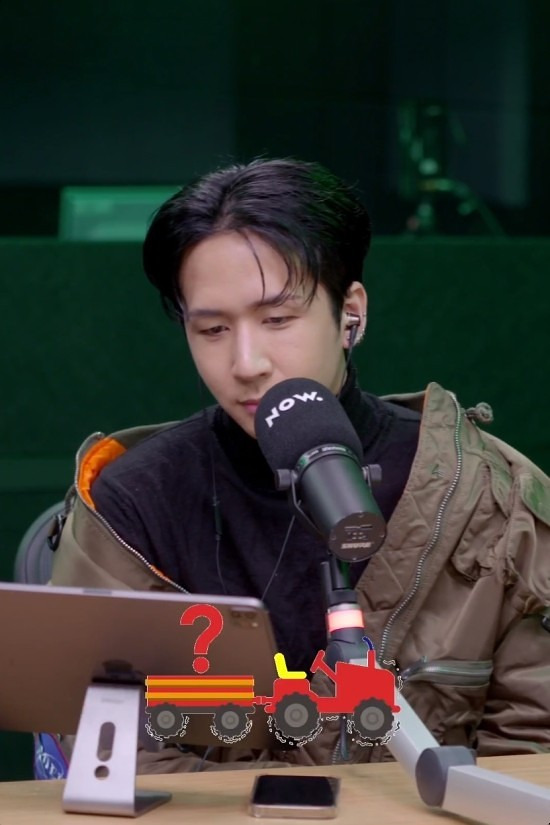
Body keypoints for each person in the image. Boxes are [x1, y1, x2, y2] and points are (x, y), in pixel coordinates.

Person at [50, 158, 550, 774]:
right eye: (212, 329)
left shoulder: (485, 494)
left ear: (350, 313)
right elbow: (106, 751)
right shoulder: (133, 500)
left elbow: (533, 752)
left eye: (278, 320)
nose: (247, 362)